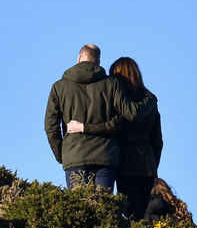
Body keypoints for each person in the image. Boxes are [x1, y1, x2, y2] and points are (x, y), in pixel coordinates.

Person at [45, 44, 155, 191]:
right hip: (106, 156)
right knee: (104, 207)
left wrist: (62, 154)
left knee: (80, 208)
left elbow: (50, 127)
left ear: (79, 58)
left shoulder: (59, 87)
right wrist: (151, 99)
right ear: (98, 62)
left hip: (74, 155)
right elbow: (128, 114)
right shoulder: (112, 84)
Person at [66, 57, 161, 220]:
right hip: (147, 165)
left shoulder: (119, 101)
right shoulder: (149, 100)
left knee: (128, 214)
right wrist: (153, 165)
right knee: (140, 215)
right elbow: (158, 139)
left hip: (125, 164)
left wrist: (83, 127)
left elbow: (111, 127)